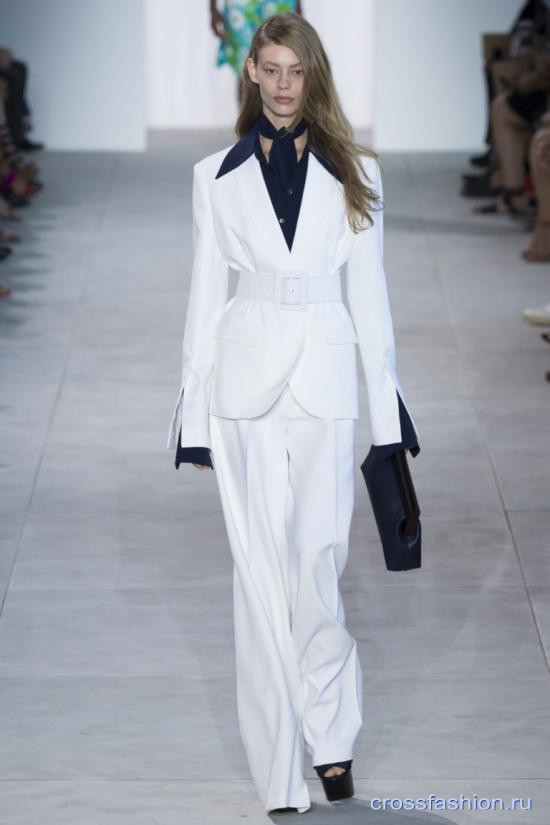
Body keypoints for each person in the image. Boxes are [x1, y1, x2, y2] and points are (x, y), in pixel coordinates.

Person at [167, 11, 420, 814]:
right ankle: (280, 771)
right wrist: (192, 418)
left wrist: (389, 420)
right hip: (240, 386)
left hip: (325, 379)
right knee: (257, 576)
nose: (282, 84)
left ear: (314, 75)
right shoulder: (213, 176)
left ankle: (331, 734)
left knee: (316, 563)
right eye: (270, 69)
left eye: (295, 70)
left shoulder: (360, 173)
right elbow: (204, 298)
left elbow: (371, 302)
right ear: (252, 72)